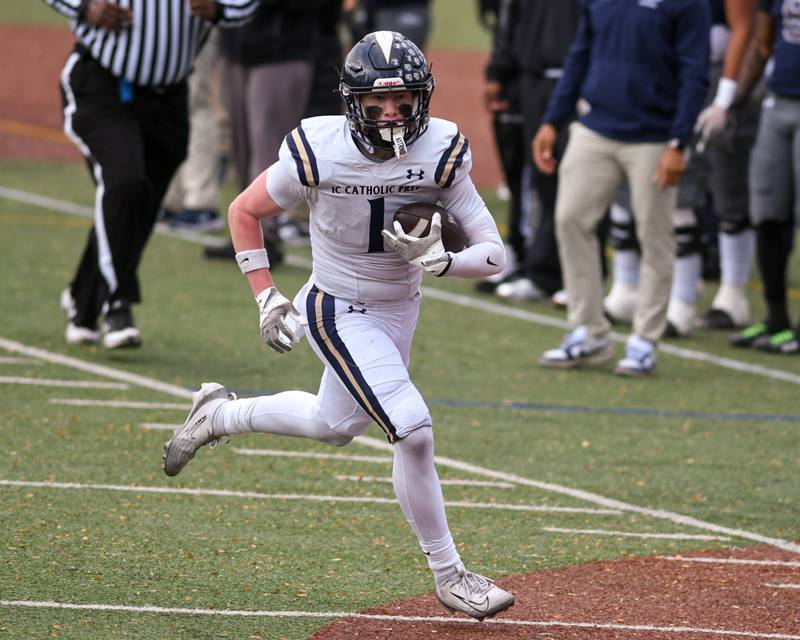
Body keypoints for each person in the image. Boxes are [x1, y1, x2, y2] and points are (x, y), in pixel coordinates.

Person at [163, 31, 515, 620]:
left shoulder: (442, 149)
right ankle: (451, 575)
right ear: (353, 102)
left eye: (403, 100)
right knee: (412, 429)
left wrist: (442, 261)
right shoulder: (318, 148)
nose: (391, 114)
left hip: (400, 307)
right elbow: (244, 211)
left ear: (422, 98)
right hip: (338, 306)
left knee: (334, 425)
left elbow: (494, 253)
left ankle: (218, 414)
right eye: (377, 102)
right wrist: (267, 297)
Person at [47, 0, 259, 349]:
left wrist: (219, 9)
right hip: (103, 85)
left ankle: (83, 299)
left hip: (169, 96)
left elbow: (245, 4)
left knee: (139, 203)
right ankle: (117, 303)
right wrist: (84, 5)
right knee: (124, 180)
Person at [532, 0, 710, 376]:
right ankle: (590, 331)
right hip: (595, 127)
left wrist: (679, 142)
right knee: (569, 219)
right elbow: (580, 54)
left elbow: (695, 71)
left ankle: (645, 340)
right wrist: (552, 120)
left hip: (655, 138)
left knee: (654, 236)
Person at [603, 0, 760, 337]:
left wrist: (726, 94)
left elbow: (744, 26)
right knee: (627, 182)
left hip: (710, 72)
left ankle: (714, 295)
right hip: (654, 71)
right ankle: (627, 286)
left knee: (707, 188)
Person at [204, 1, 337, 263]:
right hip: (236, 44)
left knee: (268, 144)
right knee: (240, 145)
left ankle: (267, 236)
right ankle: (244, 232)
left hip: (284, 47)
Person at [481, 0, 581, 302]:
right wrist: (499, 71)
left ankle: (576, 276)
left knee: (579, 181)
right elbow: (512, 18)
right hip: (533, 77)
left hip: (576, 77)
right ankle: (537, 267)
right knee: (539, 177)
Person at [729, 0, 800, 353]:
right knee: (766, 211)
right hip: (778, 100)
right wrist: (735, 102)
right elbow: (762, 43)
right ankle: (776, 318)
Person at [160, 29, 226, 233]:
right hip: (161, 28)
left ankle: (201, 203)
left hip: (190, 25)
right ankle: (170, 198)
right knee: (165, 103)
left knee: (195, 102)